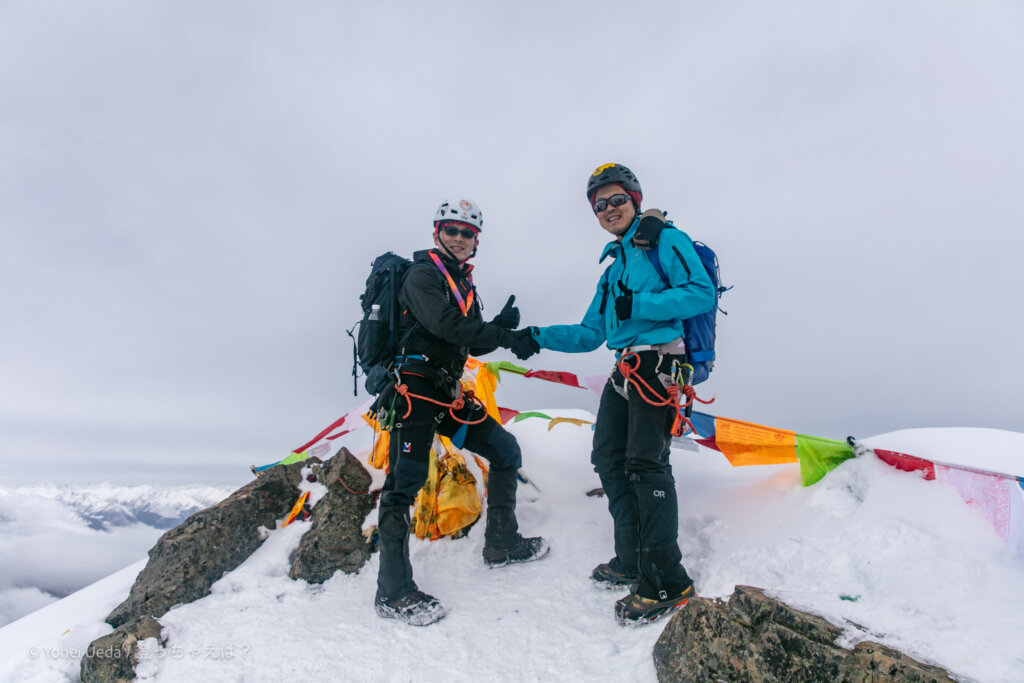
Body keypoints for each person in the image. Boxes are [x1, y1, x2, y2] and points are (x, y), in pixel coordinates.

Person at [517, 164, 715, 625]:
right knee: (609, 459)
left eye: (617, 200)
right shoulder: (613, 268)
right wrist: (534, 335)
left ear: (635, 199)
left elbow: (700, 293)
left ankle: (667, 580)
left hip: (658, 363)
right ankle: (632, 558)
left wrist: (640, 305)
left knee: (647, 465)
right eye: (599, 205)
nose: (609, 209)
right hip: (625, 366)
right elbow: (591, 332)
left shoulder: (665, 240)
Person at [372, 197, 547, 627]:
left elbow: (467, 342)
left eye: (467, 233)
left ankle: (501, 544)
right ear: (437, 233)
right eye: (451, 230)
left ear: (476, 242)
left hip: (445, 394)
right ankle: (391, 591)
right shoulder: (422, 275)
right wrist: (508, 335)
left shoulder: (461, 284)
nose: (459, 237)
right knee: (402, 487)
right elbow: (447, 326)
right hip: (413, 393)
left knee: (504, 450)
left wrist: (500, 327)